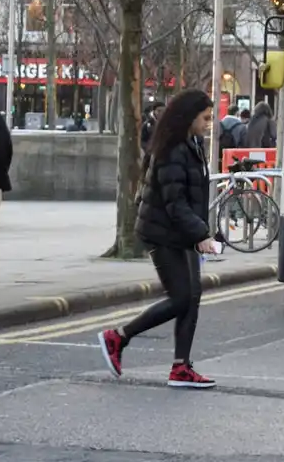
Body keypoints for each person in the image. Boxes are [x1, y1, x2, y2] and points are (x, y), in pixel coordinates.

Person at [98, 89, 223, 389]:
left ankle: (181, 367)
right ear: (189, 116)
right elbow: (174, 202)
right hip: (162, 232)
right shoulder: (171, 150)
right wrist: (202, 234)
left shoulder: (192, 144)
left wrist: (200, 232)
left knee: (192, 296)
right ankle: (118, 337)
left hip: (182, 232)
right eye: (205, 118)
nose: (209, 124)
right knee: (180, 297)